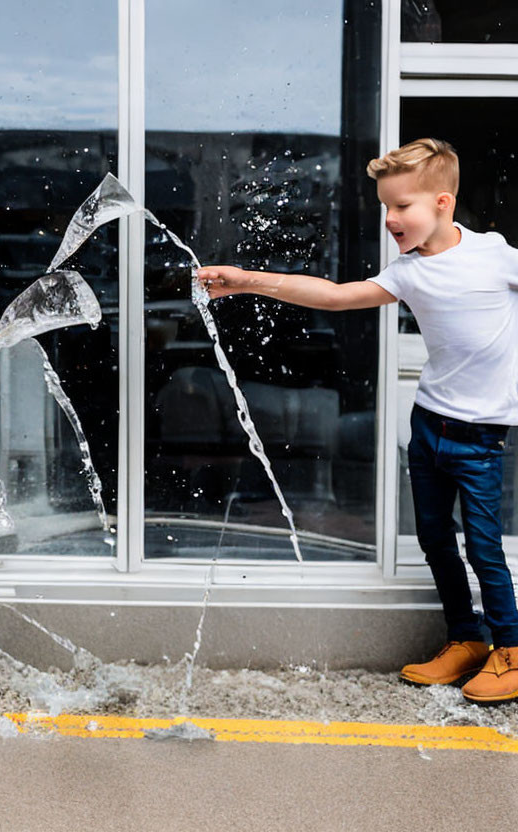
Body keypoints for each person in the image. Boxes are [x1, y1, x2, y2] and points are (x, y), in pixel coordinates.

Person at [198, 138, 518, 704]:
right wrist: (248, 279)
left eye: (403, 207)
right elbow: (336, 294)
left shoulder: (495, 254)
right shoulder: (410, 272)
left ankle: (512, 651)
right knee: (435, 539)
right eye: (386, 207)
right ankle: (465, 641)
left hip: (480, 435)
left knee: (484, 545)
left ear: (443, 203)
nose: (391, 219)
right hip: (429, 425)